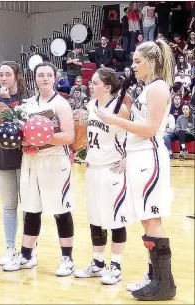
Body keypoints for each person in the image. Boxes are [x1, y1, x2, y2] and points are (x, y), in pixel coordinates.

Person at [96, 39, 177, 301]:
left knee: (152, 220)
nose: (133, 66)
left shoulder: (158, 88)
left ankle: (164, 284)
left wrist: (116, 120)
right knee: (147, 219)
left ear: (151, 62)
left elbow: (151, 129)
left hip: (150, 157)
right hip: (138, 156)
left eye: (137, 61)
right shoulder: (147, 88)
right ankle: (155, 277)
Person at [2, 62, 76, 277]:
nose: (44, 78)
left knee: (61, 210)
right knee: (31, 209)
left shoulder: (61, 104)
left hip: (54, 161)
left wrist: (41, 139)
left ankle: (67, 258)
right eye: (40, 75)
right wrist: (24, 143)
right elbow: (21, 135)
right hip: (31, 161)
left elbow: (69, 136)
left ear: (55, 78)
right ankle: (26, 255)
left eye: (48, 75)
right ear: (35, 78)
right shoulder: (26, 105)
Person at [73, 68, 134, 285]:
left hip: (112, 169)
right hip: (92, 168)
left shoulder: (121, 110)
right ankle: (98, 263)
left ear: (107, 87)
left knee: (115, 218)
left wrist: (128, 159)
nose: (91, 85)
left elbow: (136, 136)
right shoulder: (90, 106)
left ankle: (115, 265)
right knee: (95, 218)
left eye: (95, 82)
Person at [0, 61, 30, 266]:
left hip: (25, 157)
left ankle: (29, 250)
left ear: (16, 76)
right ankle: (10, 248)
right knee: (9, 205)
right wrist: (4, 102)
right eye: (0, 75)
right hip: (2, 157)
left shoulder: (27, 99)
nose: (3, 78)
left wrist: (10, 102)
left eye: (7, 74)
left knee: (29, 205)